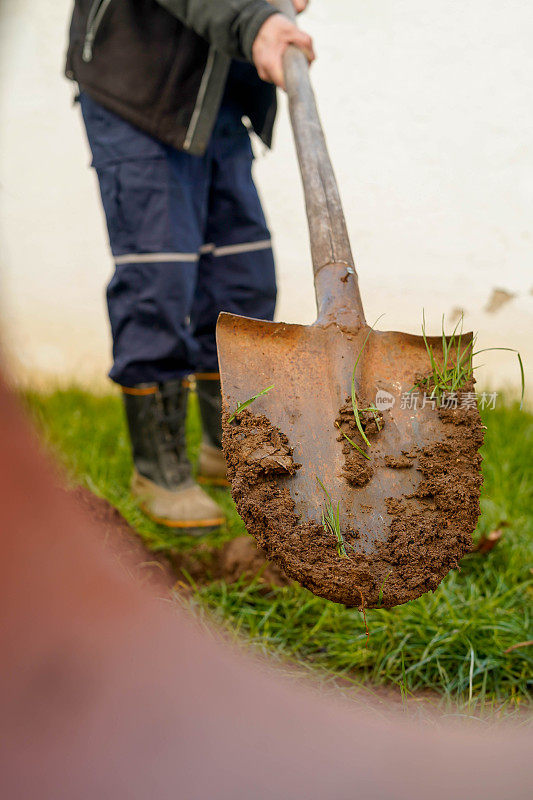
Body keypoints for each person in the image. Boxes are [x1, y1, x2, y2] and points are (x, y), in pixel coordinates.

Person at [65, 1, 314, 531]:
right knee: (160, 280)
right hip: (137, 84)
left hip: (219, 91)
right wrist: (254, 19)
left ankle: (228, 448)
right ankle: (160, 470)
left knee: (243, 278)